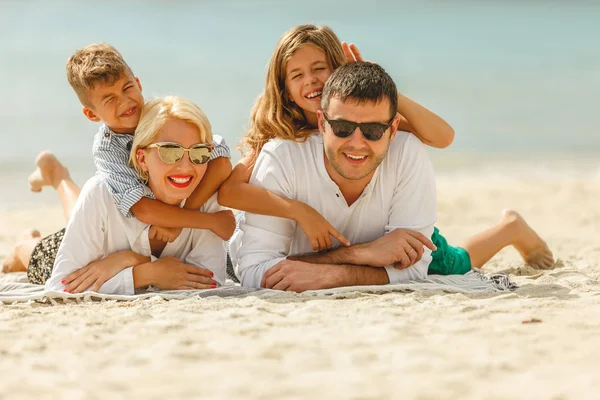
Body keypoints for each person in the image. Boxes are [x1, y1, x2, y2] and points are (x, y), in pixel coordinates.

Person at [220, 25, 554, 281]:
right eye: (297, 75)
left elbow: (443, 137)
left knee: (455, 264)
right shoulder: (277, 134)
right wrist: (300, 212)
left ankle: (510, 228)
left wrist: (386, 88)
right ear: (285, 90)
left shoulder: (369, 122)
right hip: (344, 235)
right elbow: (231, 191)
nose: (312, 81)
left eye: (319, 68)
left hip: (392, 226)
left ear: (338, 69)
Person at [2, 42, 236, 279]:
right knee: (48, 256)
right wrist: (205, 221)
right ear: (92, 114)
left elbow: (220, 159)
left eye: (127, 88)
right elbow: (143, 209)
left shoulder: (161, 119)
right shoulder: (107, 149)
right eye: (109, 99)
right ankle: (25, 243)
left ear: (139, 84)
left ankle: (57, 174)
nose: (125, 102)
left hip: (133, 233)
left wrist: (183, 220)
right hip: (110, 229)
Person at [44, 96, 230, 295]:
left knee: (75, 211)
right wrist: (147, 272)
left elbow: (209, 280)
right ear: (142, 159)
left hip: (93, 239)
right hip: (70, 250)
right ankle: (58, 176)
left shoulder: (207, 195)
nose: (186, 167)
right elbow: (61, 286)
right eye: (169, 151)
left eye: (198, 152)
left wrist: (130, 261)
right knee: (34, 252)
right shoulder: (101, 194)